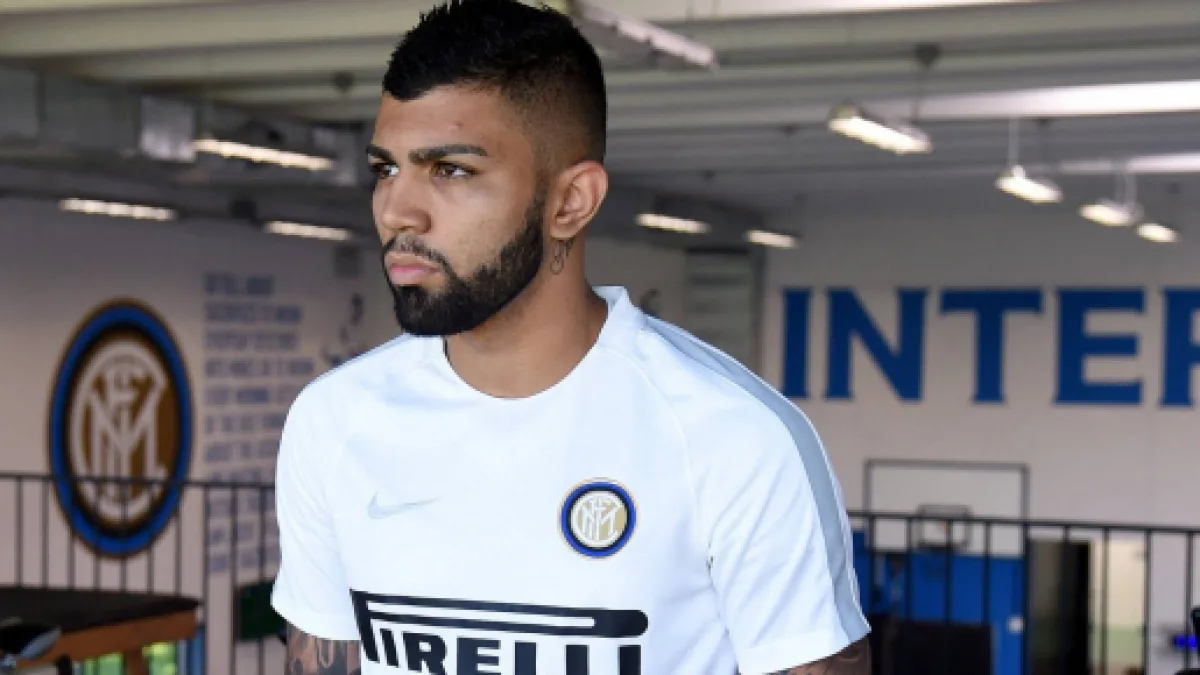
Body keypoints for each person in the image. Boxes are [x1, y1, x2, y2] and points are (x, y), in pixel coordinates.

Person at [270, 0, 871, 672]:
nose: (396, 210)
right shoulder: (332, 420)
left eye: (451, 170)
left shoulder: (734, 438)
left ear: (571, 202)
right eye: (387, 169)